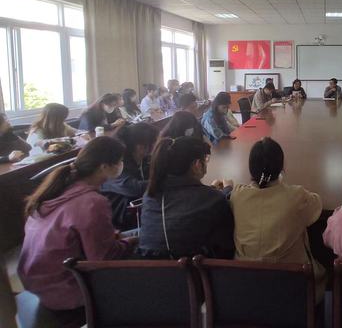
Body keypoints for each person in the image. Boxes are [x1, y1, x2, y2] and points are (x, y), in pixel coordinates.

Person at [18, 137, 135, 313]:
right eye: (119, 161)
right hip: (66, 289)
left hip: (37, 282)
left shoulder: (58, 188)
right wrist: (129, 242)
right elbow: (103, 259)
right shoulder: (92, 202)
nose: (121, 165)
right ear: (104, 167)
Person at [230, 137, 325, 296]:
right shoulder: (296, 197)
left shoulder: (237, 196)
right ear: (281, 167)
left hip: (246, 289)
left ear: (251, 168)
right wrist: (283, 186)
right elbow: (316, 204)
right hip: (293, 289)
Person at [138, 137, 234, 259]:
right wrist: (228, 190)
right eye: (205, 159)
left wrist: (212, 189)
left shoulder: (150, 195)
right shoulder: (213, 199)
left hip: (150, 268)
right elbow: (227, 247)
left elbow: (182, 203)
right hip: (197, 268)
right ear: (197, 165)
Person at [101, 123, 159, 229]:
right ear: (141, 147)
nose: (157, 145)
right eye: (155, 142)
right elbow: (134, 188)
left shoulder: (143, 160)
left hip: (138, 209)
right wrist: (165, 180)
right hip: (120, 217)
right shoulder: (116, 164)